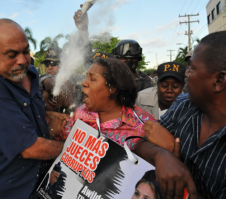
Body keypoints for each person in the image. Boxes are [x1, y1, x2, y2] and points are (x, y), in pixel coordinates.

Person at [0, 19, 66, 199]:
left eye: (26, 51)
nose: (22, 60)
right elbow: (30, 148)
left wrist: (48, 115)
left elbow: (26, 113)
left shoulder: (30, 73)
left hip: (35, 183)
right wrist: (75, 149)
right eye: (11, 54)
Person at [133, 31, 226, 199]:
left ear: (219, 81)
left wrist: (187, 185)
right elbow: (139, 144)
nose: (186, 74)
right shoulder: (184, 105)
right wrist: (162, 155)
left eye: (193, 69)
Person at [60, 58, 156, 149]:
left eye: (92, 79)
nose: (84, 83)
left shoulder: (144, 124)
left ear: (112, 88)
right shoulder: (81, 111)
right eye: (86, 77)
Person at [73, 6, 154, 91]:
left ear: (138, 59)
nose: (128, 61)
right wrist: (83, 30)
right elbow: (86, 55)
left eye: (132, 58)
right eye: (124, 59)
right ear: (116, 59)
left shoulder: (143, 80)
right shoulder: (107, 74)